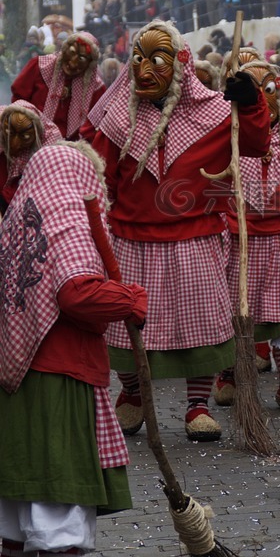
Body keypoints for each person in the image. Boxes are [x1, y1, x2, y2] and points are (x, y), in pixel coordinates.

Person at [91, 19, 271, 442]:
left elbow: (257, 144)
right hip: (129, 237)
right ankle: (132, 394)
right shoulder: (117, 117)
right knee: (125, 324)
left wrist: (250, 104)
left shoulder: (213, 111)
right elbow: (98, 177)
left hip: (196, 235)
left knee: (202, 323)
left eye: (157, 59)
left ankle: (197, 405)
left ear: (181, 66)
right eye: (138, 58)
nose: (143, 69)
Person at [0, 141, 147, 556]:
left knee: (18, 511)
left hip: (16, 375)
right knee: (56, 507)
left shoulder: (17, 217)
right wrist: (131, 300)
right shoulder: (67, 217)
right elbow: (77, 292)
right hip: (59, 379)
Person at [214, 57, 280, 411]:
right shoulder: (228, 130)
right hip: (240, 235)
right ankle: (228, 377)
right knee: (235, 312)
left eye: (270, 89)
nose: (264, 97)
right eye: (256, 91)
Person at [11, 32, 105, 141]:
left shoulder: (96, 90)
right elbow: (18, 101)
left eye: (82, 59)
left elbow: (95, 125)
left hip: (71, 149)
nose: (73, 63)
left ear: (90, 64)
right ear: (65, 49)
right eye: (72, 53)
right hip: (31, 139)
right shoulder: (40, 67)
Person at [0, 100, 62, 214]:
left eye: (25, 137)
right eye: (10, 134)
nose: (15, 144)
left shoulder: (49, 142)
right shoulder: (2, 120)